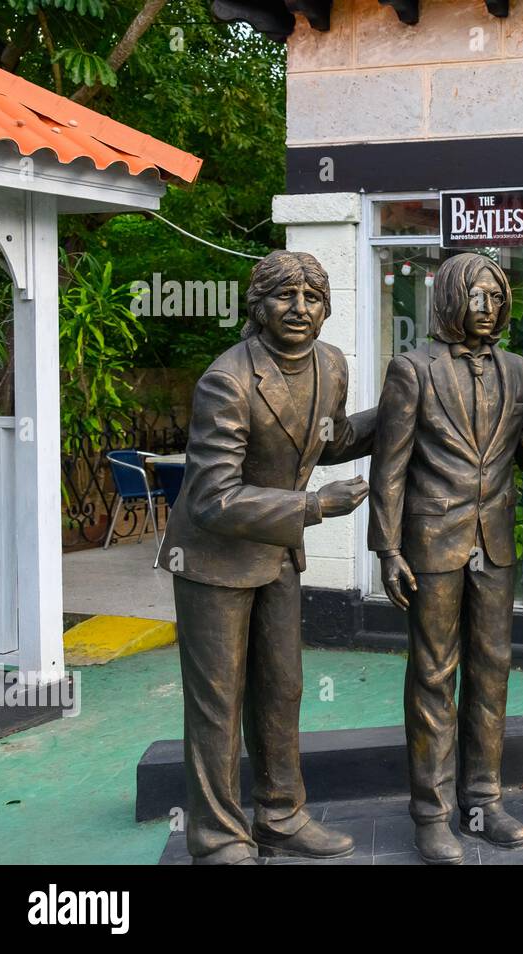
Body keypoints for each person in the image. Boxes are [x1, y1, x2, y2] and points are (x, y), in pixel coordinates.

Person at [160, 250, 374, 865]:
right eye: (285, 296)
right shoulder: (226, 380)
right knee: (218, 702)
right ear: (258, 306)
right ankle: (219, 837)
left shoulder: (330, 365)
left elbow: (326, 440)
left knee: (282, 688)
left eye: (312, 297)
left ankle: (280, 815)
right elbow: (211, 497)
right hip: (212, 560)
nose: (300, 309)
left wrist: (396, 412)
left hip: (276, 554)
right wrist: (313, 506)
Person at [368, 253, 523, 865]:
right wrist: (386, 549)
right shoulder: (412, 370)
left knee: (492, 672)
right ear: (448, 299)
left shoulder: (520, 373)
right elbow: (388, 468)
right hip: (432, 544)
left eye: (498, 297)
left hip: (493, 544)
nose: (489, 308)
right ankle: (432, 813)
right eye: (477, 296)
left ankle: (483, 801)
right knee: (434, 676)